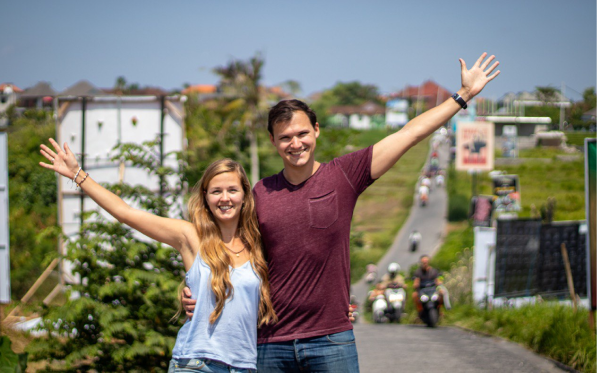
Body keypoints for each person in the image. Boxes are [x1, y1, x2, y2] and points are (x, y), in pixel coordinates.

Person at [183, 53, 500, 372]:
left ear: (316, 130)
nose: (296, 144)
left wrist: (463, 96)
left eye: (302, 134)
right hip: (269, 341)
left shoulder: (344, 175)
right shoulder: (260, 194)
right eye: (285, 138)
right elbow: (227, 250)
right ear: (273, 141)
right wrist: (196, 292)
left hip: (331, 340)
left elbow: (408, 134)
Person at [39, 140, 276, 373]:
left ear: (245, 195)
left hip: (244, 365)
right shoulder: (191, 236)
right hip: (196, 364)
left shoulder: (256, 246)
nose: (225, 198)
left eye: (232, 190)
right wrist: (77, 174)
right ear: (205, 197)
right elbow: (126, 213)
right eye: (216, 191)